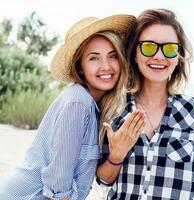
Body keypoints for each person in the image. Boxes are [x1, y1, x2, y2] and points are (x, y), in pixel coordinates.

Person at [96, 8, 194, 200]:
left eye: (169, 48)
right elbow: (103, 180)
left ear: (178, 57)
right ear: (134, 53)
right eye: (149, 47)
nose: (159, 56)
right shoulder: (114, 108)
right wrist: (117, 155)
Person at [0, 14, 145, 200]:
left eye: (113, 56)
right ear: (80, 67)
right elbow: (58, 185)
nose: (106, 66)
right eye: (94, 58)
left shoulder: (92, 106)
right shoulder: (78, 102)